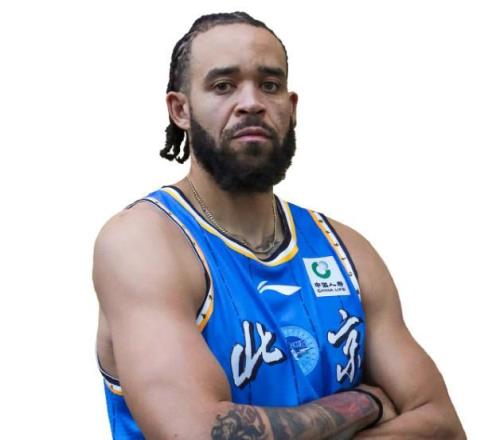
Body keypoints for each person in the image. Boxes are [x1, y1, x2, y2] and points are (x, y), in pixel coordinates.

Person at [93, 11, 465, 439]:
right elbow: (197, 433)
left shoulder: (347, 251)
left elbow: (444, 426)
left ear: (291, 107)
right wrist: (365, 403)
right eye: (223, 85)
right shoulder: (143, 243)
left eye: (269, 85)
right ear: (181, 109)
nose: (251, 102)